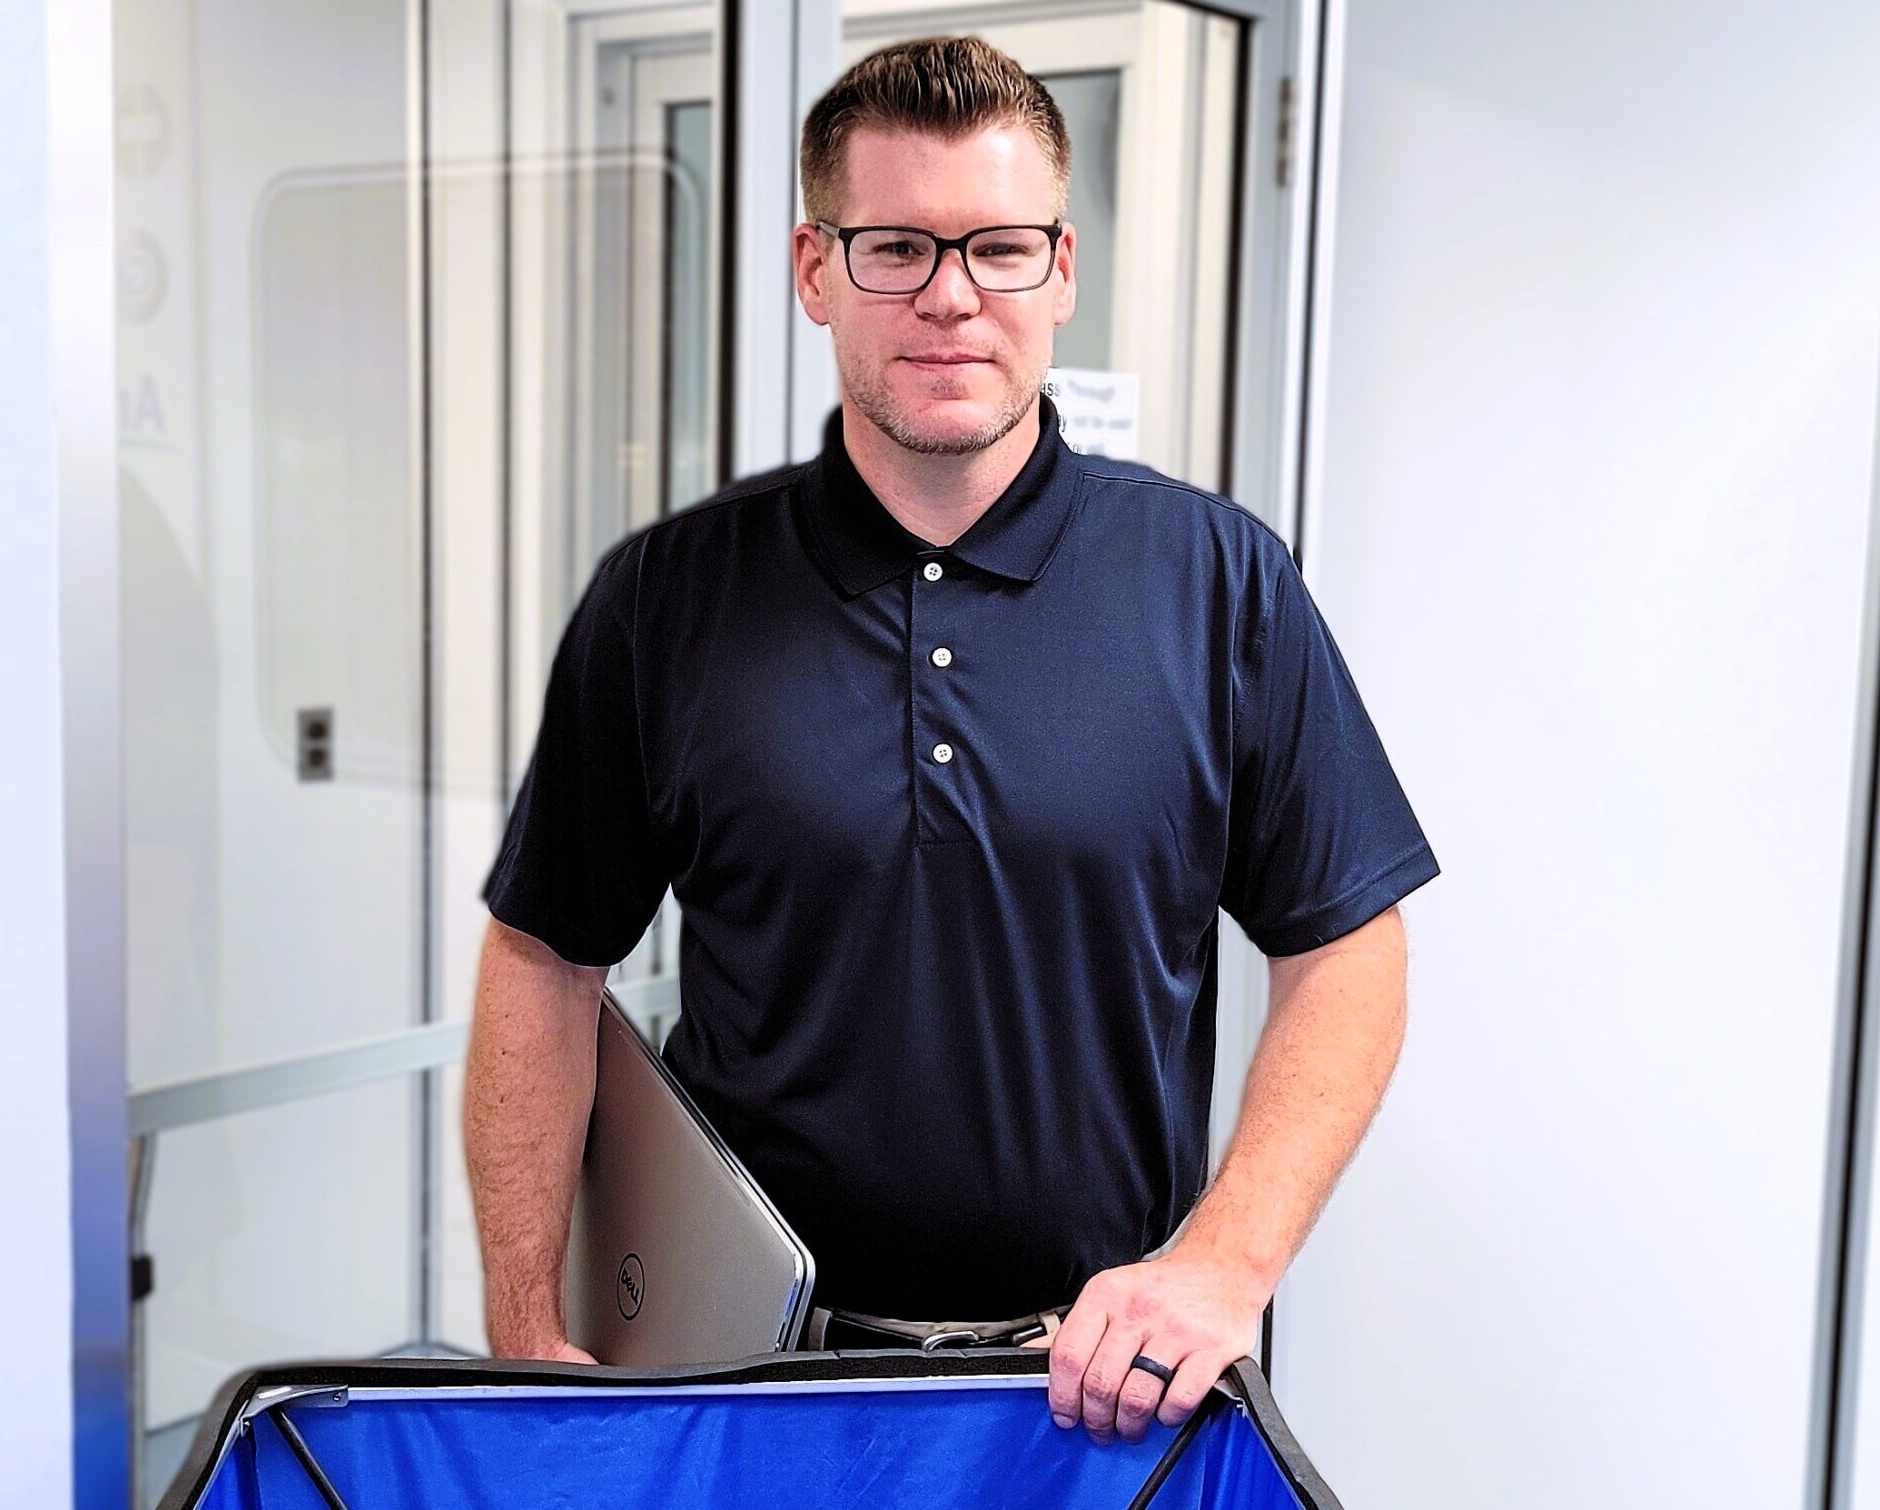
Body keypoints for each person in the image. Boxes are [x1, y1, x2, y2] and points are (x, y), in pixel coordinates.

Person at [462, 33, 1438, 1449]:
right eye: (893, 249)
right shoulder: (668, 598)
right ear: (813, 270)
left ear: (1060, 270)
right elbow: (544, 952)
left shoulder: (1213, 580)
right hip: (746, 1384)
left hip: (1088, 1399)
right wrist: (523, 1330)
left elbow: (1349, 944)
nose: (949, 297)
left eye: (995, 248)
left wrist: (1224, 1261)